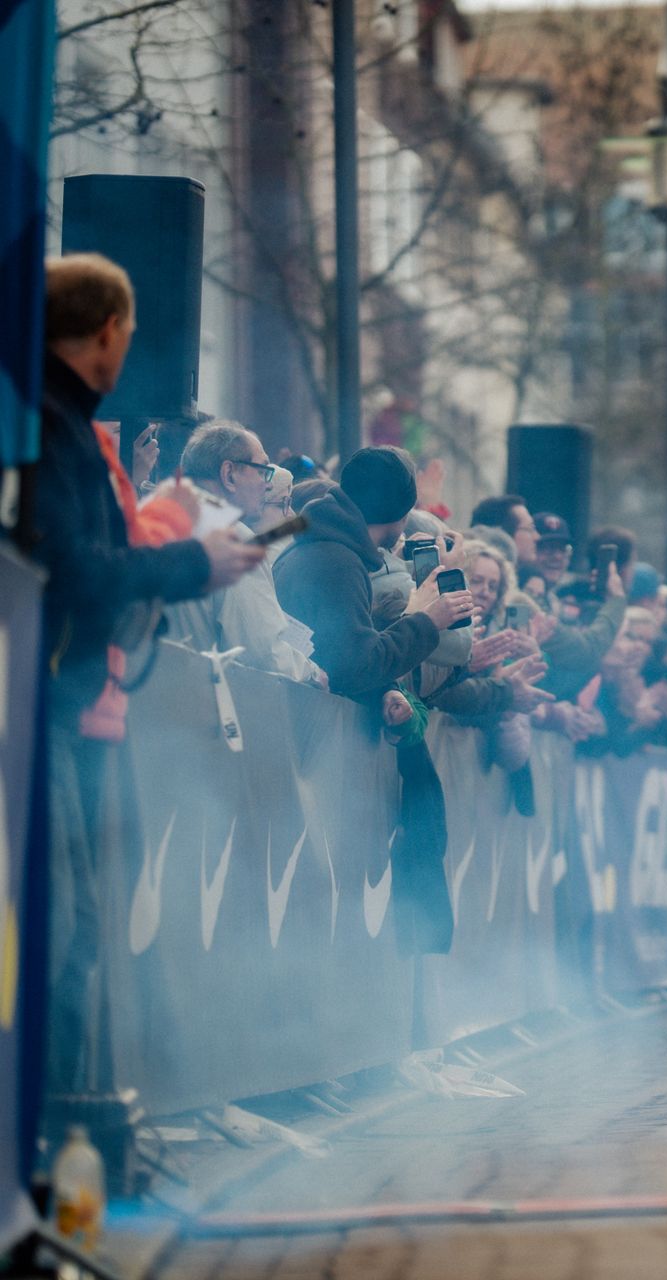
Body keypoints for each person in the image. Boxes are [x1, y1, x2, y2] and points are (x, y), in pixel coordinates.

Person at [21, 253, 264, 1092]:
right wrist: (190, 562)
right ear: (109, 332)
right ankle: (40, 1148)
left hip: (68, 702)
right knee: (61, 936)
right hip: (42, 710)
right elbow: (74, 567)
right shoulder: (46, 427)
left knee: (78, 931)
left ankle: (59, 1135)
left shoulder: (63, 424)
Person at [272, 447, 474, 702]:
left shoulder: (317, 546)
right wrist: (428, 621)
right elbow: (356, 668)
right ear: (400, 514)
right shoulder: (338, 562)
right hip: (302, 725)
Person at [169, 420, 323, 684]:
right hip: (200, 707)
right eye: (263, 470)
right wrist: (312, 673)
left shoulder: (160, 519)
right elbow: (261, 652)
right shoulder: (233, 537)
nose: (267, 484)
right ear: (229, 475)